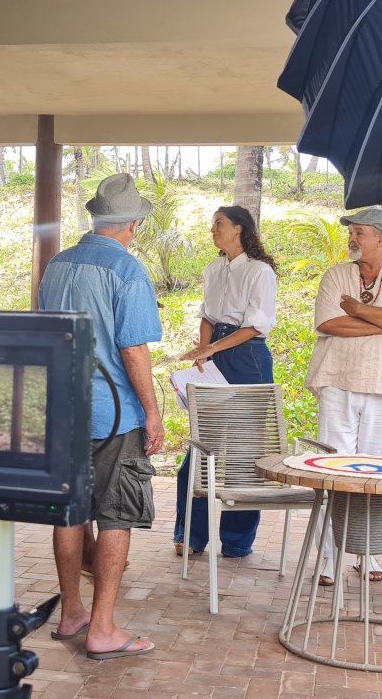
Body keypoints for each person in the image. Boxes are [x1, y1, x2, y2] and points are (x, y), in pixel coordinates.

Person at [38, 173, 164, 660]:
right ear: (131, 224)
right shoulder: (126, 269)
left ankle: (73, 613)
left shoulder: (56, 265)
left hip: (63, 409)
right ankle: (103, 628)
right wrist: (152, 413)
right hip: (113, 414)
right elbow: (132, 348)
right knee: (116, 514)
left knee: (69, 512)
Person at [306, 207, 382, 584]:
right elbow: (328, 324)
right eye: (351, 233)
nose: (352, 239)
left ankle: (370, 555)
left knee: (379, 474)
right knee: (332, 471)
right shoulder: (335, 275)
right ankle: (327, 559)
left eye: (359, 233)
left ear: (381, 239)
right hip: (337, 382)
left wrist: (357, 309)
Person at [173, 205, 278, 558]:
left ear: (238, 229)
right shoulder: (213, 269)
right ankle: (190, 535)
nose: (212, 229)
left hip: (247, 358)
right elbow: (207, 314)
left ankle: (237, 541)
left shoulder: (260, 271)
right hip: (215, 352)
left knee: (244, 454)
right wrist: (204, 349)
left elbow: (255, 326)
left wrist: (213, 346)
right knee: (202, 446)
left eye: (218, 223)